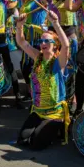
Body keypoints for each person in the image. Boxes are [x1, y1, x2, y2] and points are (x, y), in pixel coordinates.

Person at [15, 10, 71, 150]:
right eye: (41, 40)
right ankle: (44, 128)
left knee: (36, 144)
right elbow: (21, 42)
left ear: (55, 44)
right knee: (22, 139)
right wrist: (19, 26)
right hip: (38, 110)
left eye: (47, 40)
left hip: (54, 112)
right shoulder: (37, 57)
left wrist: (55, 23)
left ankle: (55, 127)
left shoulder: (59, 61)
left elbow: (66, 45)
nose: (43, 43)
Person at [12, 0, 48, 102]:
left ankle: (42, 92)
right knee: (26, 66)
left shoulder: (42, 0)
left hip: (40, 37)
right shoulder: (24, 0)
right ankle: (30, 92)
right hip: (26, 36)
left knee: (40, 65)